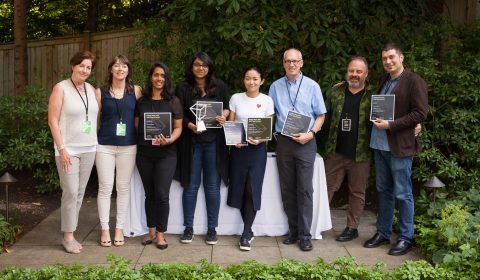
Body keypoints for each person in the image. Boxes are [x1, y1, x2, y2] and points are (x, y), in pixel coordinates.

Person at [363, 43, 428, 256]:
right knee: (383, 190)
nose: (388, 62)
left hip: (399, 146)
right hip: (379, 144)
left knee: (403, 192)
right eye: (384, 59)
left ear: (401, 57)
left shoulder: (413, 81)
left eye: (391, 57)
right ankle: (383, 232)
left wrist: (391, 125)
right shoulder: (384, 80)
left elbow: (420, 114)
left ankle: (405, 237)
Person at [268, 48, 326, 251]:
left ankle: (305, 235)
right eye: (287, 61)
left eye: (295, 61)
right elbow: (271, 114)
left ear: (301, 63)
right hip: (284, 142)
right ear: (283, 63)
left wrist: (311, 134)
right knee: (287, 188)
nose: (291, 64)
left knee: (304, 189)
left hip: (306, 142)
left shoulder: (312, 86)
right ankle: (293, 231)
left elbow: (321, 115)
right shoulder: (275, 86)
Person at [175, 52, 230, 245]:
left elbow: (226, 108)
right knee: (190, 186)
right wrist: (190, 126)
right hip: (192, 143)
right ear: (192, 67)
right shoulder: (182, 88)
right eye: (197, 65)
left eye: (204, 65)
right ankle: (188, 228)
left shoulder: (220, 86)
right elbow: (178, 113)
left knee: (212, 187)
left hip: (214, 142)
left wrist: (223, 116)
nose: (201, 68)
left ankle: (212, 229)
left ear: (209, 67)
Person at [48, 50, 99, 254]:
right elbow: (52, 121)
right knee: (70, 191)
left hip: (89, 148)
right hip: (67, 149)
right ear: (73, 66)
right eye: (82, 65)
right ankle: (67, 237)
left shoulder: (91, 89)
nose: (85, 70)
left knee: (79, 193)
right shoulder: (60, 88)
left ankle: (71, 231)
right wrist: (61, 148)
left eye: (88, 67)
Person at [323, 57, 372, 242]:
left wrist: (414, 125)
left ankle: (352, 228)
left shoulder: (373, 94)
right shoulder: (335, 92)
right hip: (335, 151)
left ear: (366, 74)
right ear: (347, 72)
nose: (355, 74)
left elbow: (388, 114)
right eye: (352, 70)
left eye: (359, 71)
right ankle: (316, 225)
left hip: (361, 153)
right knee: (325, 188)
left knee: (357, 192)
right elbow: (322, 115)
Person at [95, 54, 141, 247]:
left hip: (129, 145)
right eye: (116, 65)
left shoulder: (136, 91)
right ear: (111, 69)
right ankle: (105, 229)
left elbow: (140, 117)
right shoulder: (100, 92)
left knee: (123, 188)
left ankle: (119, 227)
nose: (120, 69)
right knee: (105, 188)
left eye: (124, 66)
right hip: (104, 145)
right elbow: (93, 117)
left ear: (128, 70)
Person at [135, 62, 183, 250]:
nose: (159, 79)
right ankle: (151, 231)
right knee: (150, 194)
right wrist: (150, 132)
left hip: (166, 154)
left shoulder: (173, 101)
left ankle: (162, 234)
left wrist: (169, 139)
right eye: (156, 75)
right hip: (145, 153)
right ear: (150, 78)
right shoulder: (142, 102)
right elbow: (137, 124)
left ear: (167, 79)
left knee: (162, 194)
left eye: (163, 76)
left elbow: (178, 127)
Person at [226, 66, 274, 251]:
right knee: (239, 188)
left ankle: (247, 232)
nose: (251, 82)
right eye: (248, 78)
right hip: (239, 150)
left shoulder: (267, 100)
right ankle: (248, 231)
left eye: (255, 79)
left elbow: (268, 127)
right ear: (243, 80)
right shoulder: (236, 98)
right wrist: (233, 140)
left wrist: (261, 138)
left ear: (261, 81)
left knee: (252, 189)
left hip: (257, 150)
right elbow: (231, 123)